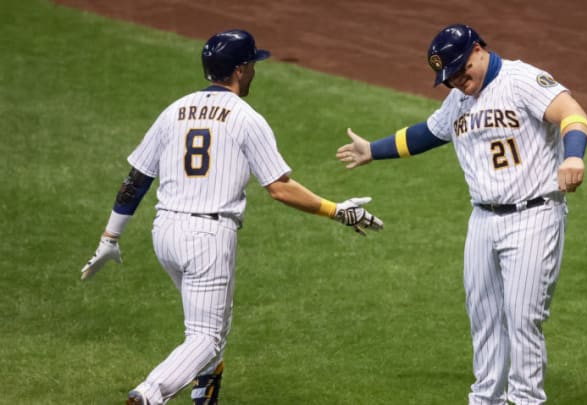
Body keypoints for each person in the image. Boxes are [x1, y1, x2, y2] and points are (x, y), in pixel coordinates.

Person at [79, 29, 383, 405]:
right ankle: (149, 394)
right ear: (240, 70)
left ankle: (204, 398)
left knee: (214, 327)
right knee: (205, 336)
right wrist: (337, 211)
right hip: (207, 237)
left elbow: (136, 180)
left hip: (165, 233)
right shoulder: (245, 118)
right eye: (252, 64)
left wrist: (110, 238)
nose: (255, 70)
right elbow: (280, 188)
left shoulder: (174, 110)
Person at [336, 24, 587, 404]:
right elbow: (428, 133)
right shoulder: (459, 100)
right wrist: (374, 149)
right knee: (484, 318)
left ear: (478, 50)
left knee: (522, 319)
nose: (457, 81)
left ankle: (525, 400)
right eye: (449, 77)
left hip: (533, 215)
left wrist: (573, 155)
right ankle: (486, 399)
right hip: (482, 221)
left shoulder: (521, 79)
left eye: (460, 70)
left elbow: (571, 111)